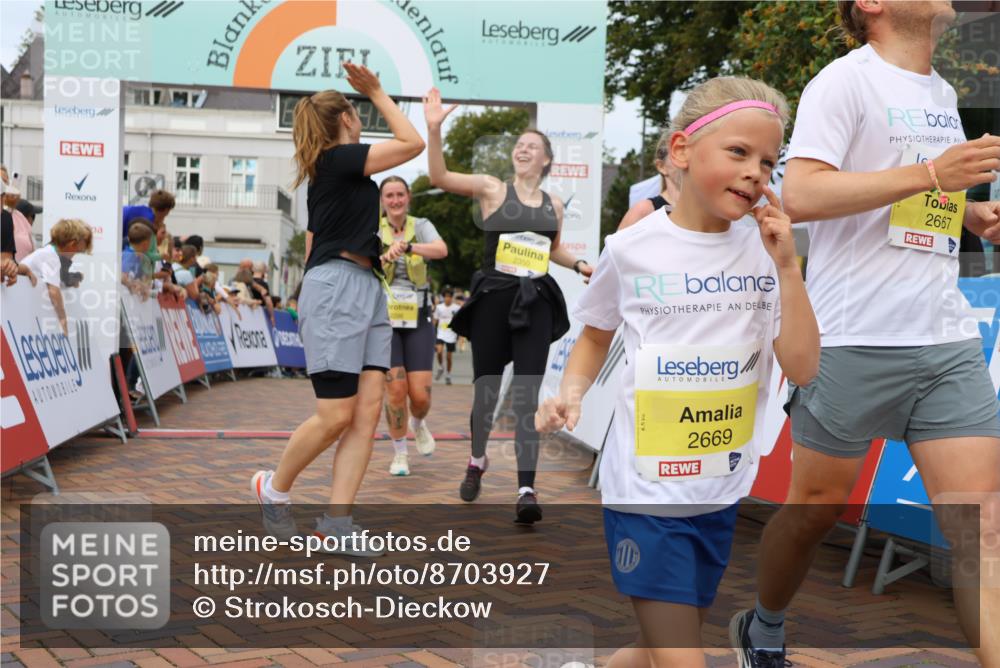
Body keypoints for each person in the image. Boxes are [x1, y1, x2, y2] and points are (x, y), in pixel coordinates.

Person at [730, 3, 1000, 665]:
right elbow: (805, 195)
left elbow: (901, 189)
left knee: (981, 529)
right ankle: (763, 627)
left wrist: (966, 214)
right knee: (813, 512)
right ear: (872, 5)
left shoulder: (941, 93)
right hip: (852, 336)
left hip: (944, 338)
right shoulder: (843, 82)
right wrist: (935, 174)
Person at [536, 76, 818, 666]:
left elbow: (803, 365)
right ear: (683, 150)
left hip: (720, 487)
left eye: (768, 161)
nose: (755, 173)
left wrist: (788, 269)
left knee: (657, 646)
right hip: (646, 492)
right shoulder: (633, 247)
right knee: (681, 656)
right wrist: (572, 390)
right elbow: (594, 334)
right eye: (738, 152)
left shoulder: (769, 250)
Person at [252, 62, 424, 554]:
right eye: (357, 108)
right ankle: (275, 488)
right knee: (335, 414)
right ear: (347, 116)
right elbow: (411, 144)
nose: (362, 114)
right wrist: (379, 93)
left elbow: (316, 237)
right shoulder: (338, 158)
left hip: (364, 285)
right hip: (336, 290)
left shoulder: (337, 168)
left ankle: (337, 523)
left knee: (367, 413)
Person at [424, 87, 593, 524]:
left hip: (534, 302)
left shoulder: (554, 203)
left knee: (526, 397)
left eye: (532, 146)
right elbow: (440, 177)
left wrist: (578, 264)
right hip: (493, 303)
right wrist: (434, 128)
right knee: (486, 393)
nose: (523, 149)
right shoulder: (492, 189)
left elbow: (552, 250)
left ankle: (526, 488)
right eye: (519, 144)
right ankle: (478, 459)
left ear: (546, 160)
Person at [378, 175, 448, 476]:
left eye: (400, 195)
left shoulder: (421, 225)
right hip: (384, 321)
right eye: (389, 196)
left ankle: (418, 425)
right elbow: (362, 264)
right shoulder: (372, 229)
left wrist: (409, 249)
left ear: (408, 197)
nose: (395, 201)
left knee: (420, 396)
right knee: (395, 391)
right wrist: (384, 255)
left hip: (417, 318)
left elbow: (441, 250)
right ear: (382, 201)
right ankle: (400, 454)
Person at [21, 219, 94, 336]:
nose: (74, 256)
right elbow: (54, 291)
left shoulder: (49, 252)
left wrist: (72, 280)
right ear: (71, 245)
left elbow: (60, 279)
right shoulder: (50, 256)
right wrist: (63, 320)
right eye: (77, 251)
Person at [618, 133, 682, 231]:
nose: (684, 162)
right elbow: (615, 246)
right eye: (676, 155)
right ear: (661, 166)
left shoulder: (703, 210)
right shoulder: (644, 210)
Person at [434, 288, 461, 384]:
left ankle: (448, 375)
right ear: (443, 297)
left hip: (451, 334)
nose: (448, 299)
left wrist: (459, 334)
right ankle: (441, 367)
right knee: (439, 351)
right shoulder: (439, 307)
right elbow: (435, 321)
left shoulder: (456, 308)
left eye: (449, 297)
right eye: (446, 297)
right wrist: (433, 334)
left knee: (449, 357)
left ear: (452, 297)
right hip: (441, 333)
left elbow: (459, 321)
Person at [2, 182, 34, 262]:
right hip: (8, 267)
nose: (14, 197)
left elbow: (30, 241)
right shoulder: (4, 216)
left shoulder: (19, 215)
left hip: (23, 268)